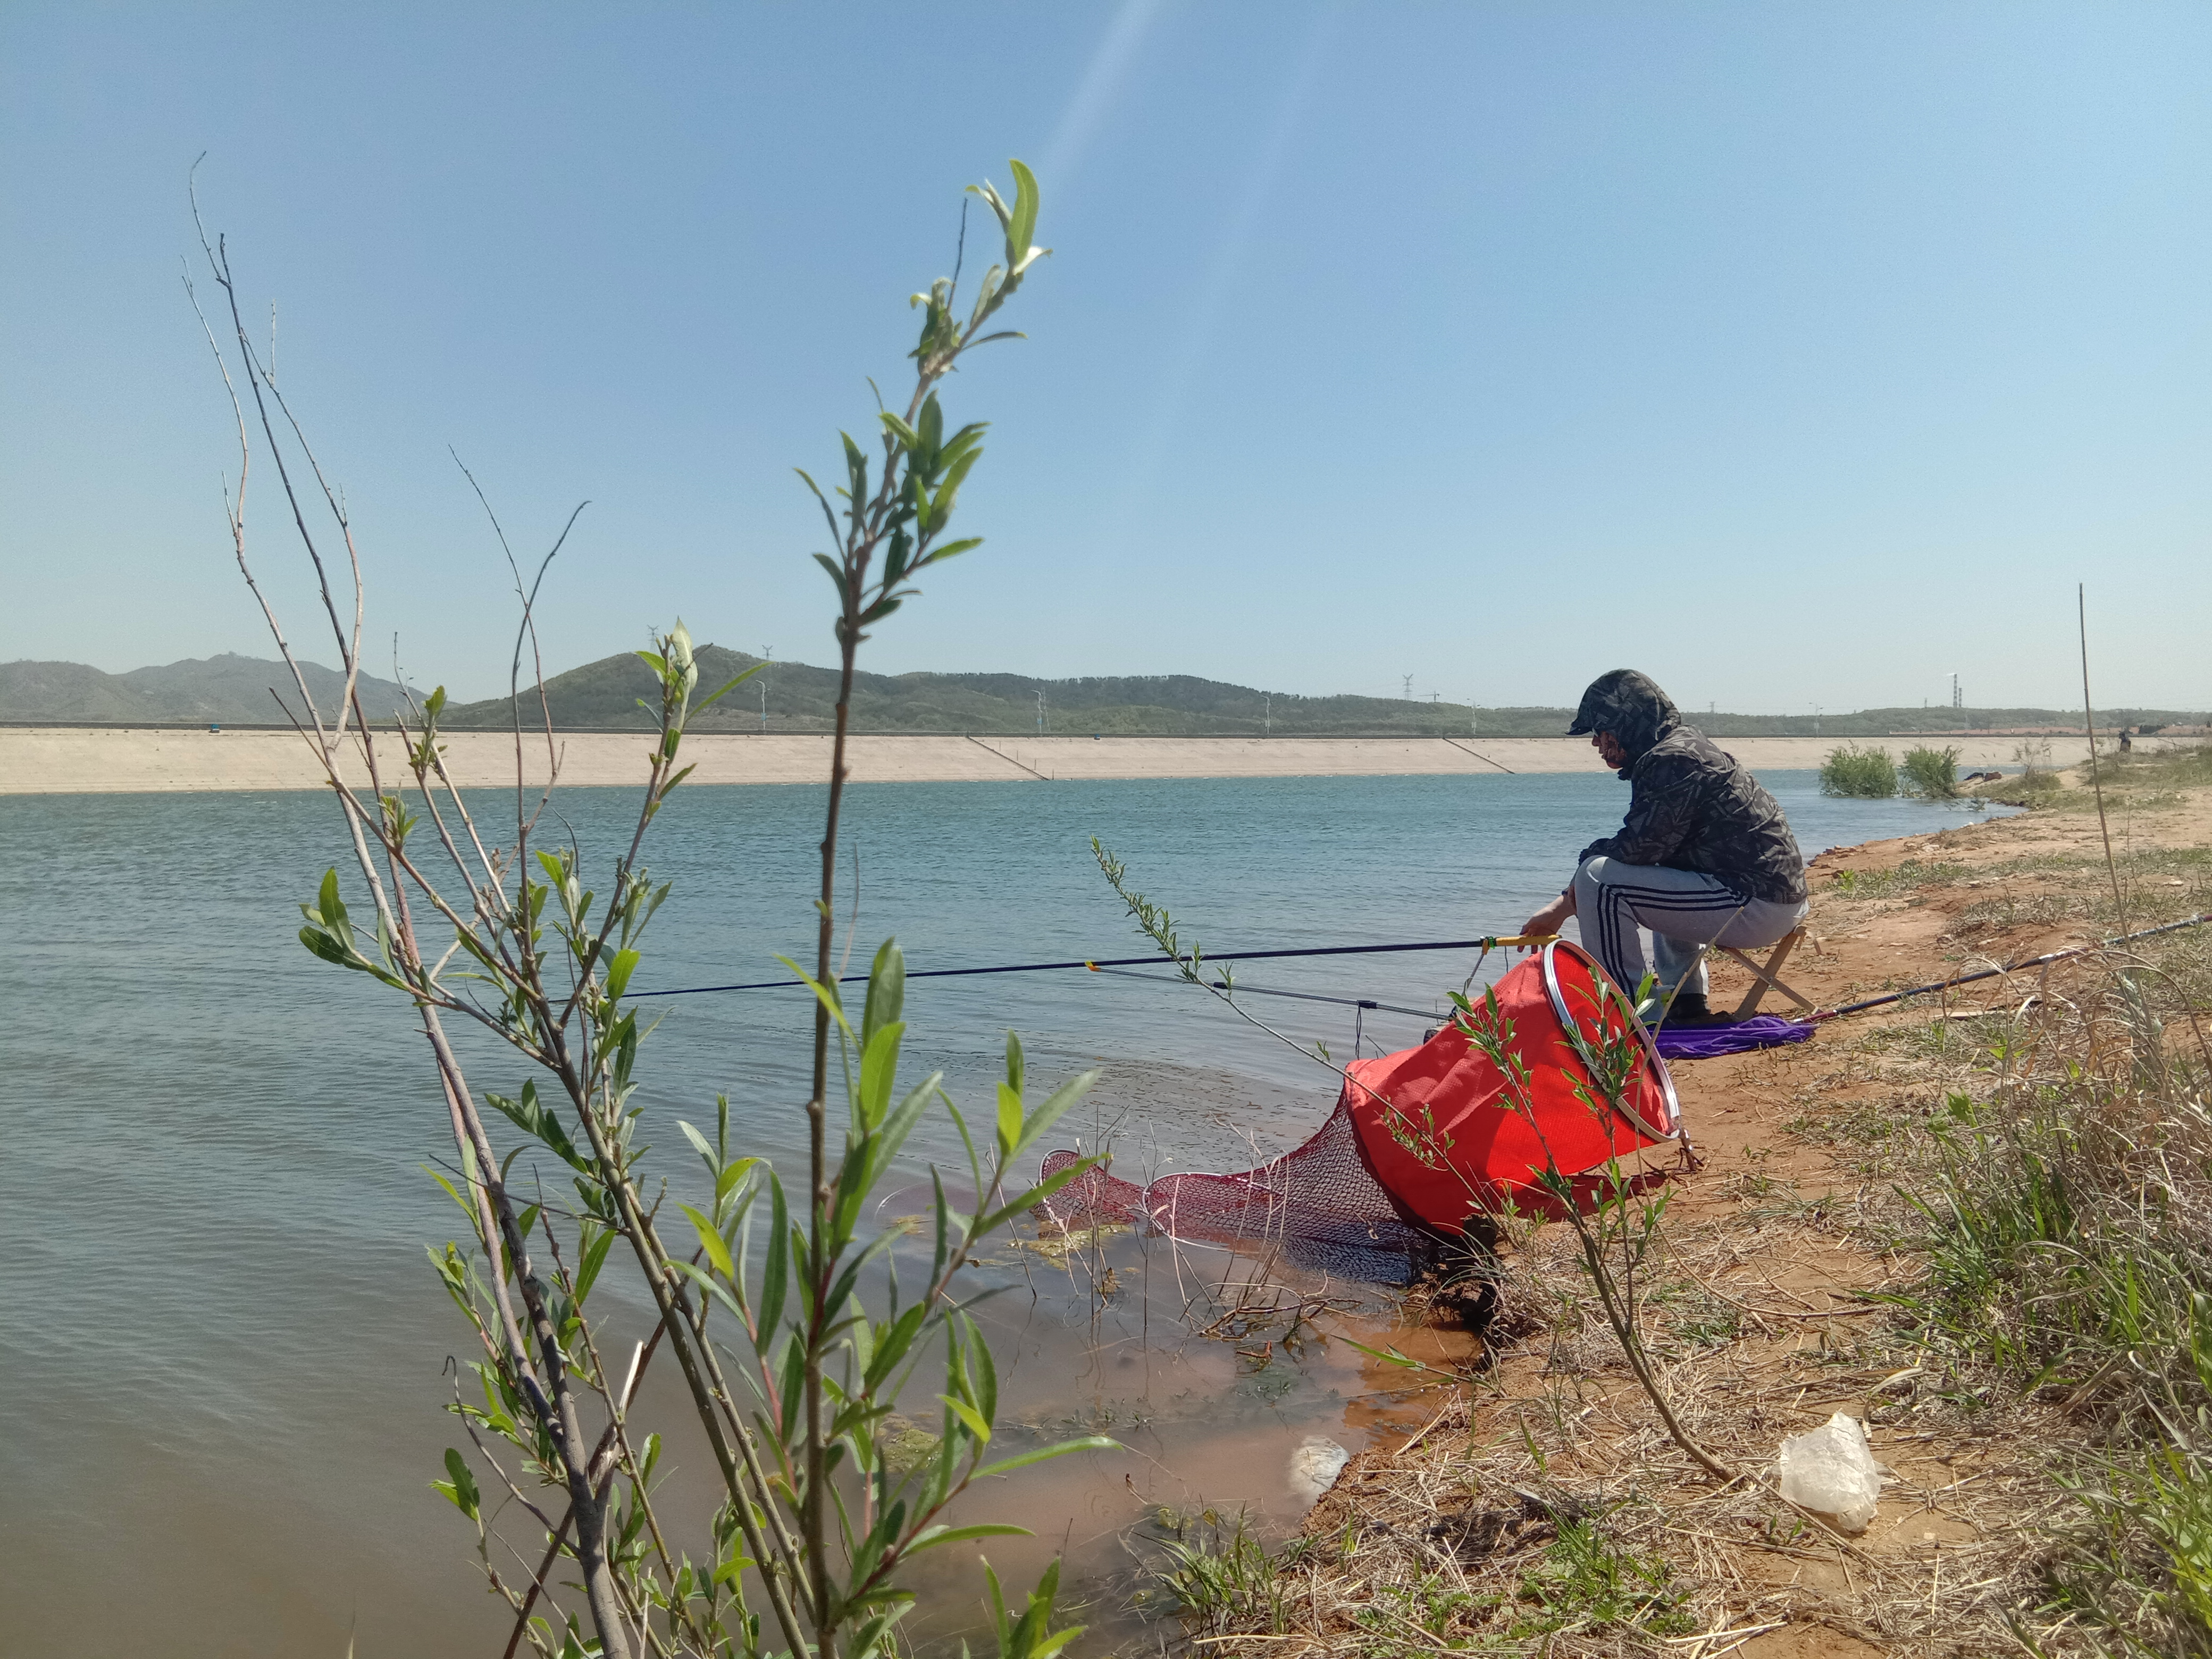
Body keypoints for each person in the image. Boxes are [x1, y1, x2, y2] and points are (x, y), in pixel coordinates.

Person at [1520, 670, 1808, 1024]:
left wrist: (1566, 900)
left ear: (1624, 725)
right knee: (1652, 870)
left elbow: (1639, 847)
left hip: (1756, 905)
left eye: (1600, 731)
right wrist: (1562, 905)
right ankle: (1685, 1003)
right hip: (1768, 899)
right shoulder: (1681, 745)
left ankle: (1632, 1017)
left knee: (1599, 879)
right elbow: (1653, 848)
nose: (1597, 743)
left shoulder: (1671, 759)